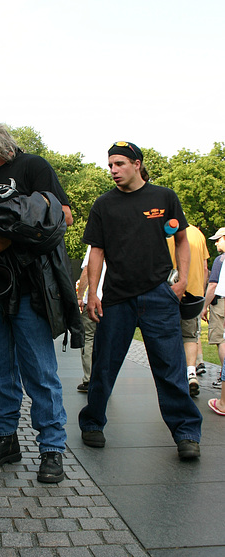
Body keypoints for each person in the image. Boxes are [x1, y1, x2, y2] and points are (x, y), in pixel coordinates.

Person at [0, 114, 83, 482]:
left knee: (40, 373)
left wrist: (9, 238)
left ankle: (52, 449)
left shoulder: (32, 166)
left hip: (29, 287)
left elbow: (66, 215)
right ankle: (6, 440)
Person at [79, 141, 202, 460]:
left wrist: (183, 279)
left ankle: (187, 433)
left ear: (137, 164)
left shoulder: (163, 197)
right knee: (104, 366)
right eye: (110, 165)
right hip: (118, 298)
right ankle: (92, 423)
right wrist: (93, 292)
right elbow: (97, 250)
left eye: (119, 164)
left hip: (159, 295)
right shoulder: (104, 205)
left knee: (170, 367)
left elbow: (181, 239)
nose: (113, 170)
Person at [167, 224, 209, 397]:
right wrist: (201, 289)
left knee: (169, 335)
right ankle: (191, 372)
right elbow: (205, 268)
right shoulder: (198, 234)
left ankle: (173, 376)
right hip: (194, 294)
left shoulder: (167, 233)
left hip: (170, 292)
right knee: (190, 336)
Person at [76, 245, 106, 392]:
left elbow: (87, 270)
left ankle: (89, 379)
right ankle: (105, 379)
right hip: (113, 300)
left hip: (94, 300)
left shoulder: (97, 241)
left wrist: (80, 296)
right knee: (107, 340)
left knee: (88, 338)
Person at [201, 227, 225, 388]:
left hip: (221, 304)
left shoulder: (220, 260)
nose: (216, 243)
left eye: (218, 239)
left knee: (221, 340)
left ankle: (223, 377)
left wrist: (204, 307)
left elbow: (213, 285)